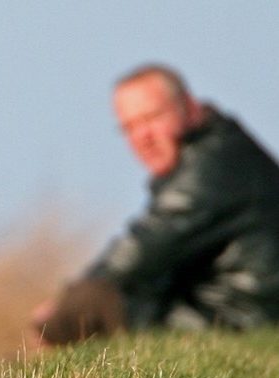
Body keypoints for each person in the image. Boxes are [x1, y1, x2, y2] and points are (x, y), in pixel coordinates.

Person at [32, 64, 279, 345]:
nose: (142, 138)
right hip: (225, 309)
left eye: (151, 118)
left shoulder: (211, 168)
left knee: (88, 304)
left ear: (189, 107)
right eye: (129, 127)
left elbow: (141, 250)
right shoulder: (220, 147)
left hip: (245, 321)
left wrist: (62, 306)